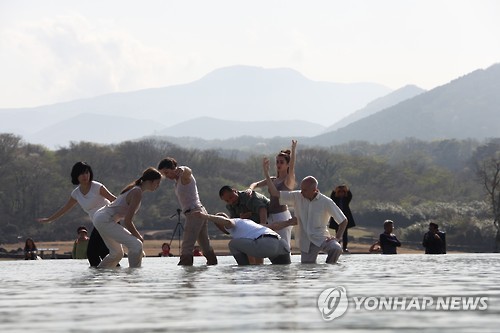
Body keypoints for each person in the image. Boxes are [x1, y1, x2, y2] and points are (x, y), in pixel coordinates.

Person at [263, 158, 347, 264]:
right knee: (307, 269)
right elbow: (275, 193)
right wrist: (266, 173)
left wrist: (337, 238)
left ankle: (328, 270)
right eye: (301, 189)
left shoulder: (326, 201)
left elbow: (343, 221)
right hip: (306, 242)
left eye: (305, 190)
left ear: (315, 190)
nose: (302, 192)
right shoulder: (297, 196)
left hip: (322, 238)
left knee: (336, 248)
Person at [37, 162, 116, 267]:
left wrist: (129, 207)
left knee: (96, 252)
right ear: (76, 176)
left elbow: (114, 200)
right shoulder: (76, 193)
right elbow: (65, 208)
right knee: (96, 253)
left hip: (109, 219)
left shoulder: (97, 187)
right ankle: (102, 277)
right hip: (98, 224)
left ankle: (108, 277)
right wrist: (49, 219)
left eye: (87, 173)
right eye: (82, 174)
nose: (85, 176)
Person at [93, 167, 162, 268]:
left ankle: (98, 273)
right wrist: (138, 236)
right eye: (157, 183)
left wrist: (136, 236)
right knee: (136, 244)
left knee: (116, 254)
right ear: (151, 181)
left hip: (100, 218)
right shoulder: (137, 192)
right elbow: (127, 221)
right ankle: (134, 276)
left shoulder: (135, 189)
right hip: (104, 219)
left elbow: (126, 220)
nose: (158, 186)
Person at [158, 157, 218, 266]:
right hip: (199, 211)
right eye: (164, 174)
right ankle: (213, 263)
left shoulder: (183, 177)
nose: (166, 176)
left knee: (187, 246)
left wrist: (183, 168)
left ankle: (185, 270)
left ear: (173, 168)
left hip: (194, 212)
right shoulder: (177, 181)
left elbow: (188, 171)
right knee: (205, 244)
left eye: (167, 172)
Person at [249, 139, 297, 249]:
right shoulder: (273, 179)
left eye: (281, 162)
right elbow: (255, 184)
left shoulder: (288, 180)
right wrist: (250, 189)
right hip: (271, 216)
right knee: (272, 246)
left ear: (287, 164)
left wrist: (293, 150)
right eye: (277, 162)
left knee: (284, 246)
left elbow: (292, 166)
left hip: (282, 216)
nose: (278, 164)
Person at [198, 211, 296, 265]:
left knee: (232, 244)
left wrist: (206, 216)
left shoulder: (234, 222)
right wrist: (289, 222)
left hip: (266, 244)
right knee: (282, 271)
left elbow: (227, 222)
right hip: (282, 245)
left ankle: (244, 269)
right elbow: (274, 226)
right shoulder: (250, 223)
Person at [219, 185, 271, 264]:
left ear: (235, 191)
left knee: (259, 249)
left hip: (270, 217)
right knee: (248, 247)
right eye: (227, 200)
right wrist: (241, 218)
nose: (230, 201)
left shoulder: (248, 196)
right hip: (252, 225)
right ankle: (252, 268)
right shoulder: (230, 205)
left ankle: (259, 266)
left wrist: (263, 226)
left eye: (231, 197)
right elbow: (235, 221)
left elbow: (262, 209)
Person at [329, 184, 356, 253]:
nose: (341, 193)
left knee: (345, 234)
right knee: (337, 232)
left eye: (343, 192)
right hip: (337, 217)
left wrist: (346, 189)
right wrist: (336, 189)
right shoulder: (335, 199)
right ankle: (338, 246)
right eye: (340, 192)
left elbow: (350, 195)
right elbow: (332, 196)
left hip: (344, 217)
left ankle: (345, 247)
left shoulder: (346, 199)